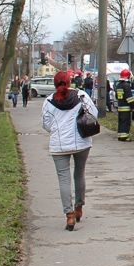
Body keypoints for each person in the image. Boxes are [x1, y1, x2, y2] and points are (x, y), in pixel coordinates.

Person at [41, 70, 97, 231]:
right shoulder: (81, 96)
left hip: (58, 146)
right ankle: (79, 207)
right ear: (70, 82)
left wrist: (57, 131)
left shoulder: (49, 101)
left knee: (63, 180)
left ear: (55, 83)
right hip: (82, 142)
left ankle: (69, 216)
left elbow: (45, 124)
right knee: (79, 174)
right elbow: (94, 114)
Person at [114, 68, 134, 141]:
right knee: (126, 122)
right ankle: (124, 137)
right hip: (126, 107)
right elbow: (129, 98)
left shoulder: (118, 85)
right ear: (128, 76)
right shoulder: (126, 85)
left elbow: (116, 96)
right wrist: (133, 106)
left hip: (120, 106)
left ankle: (120, 135)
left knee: (121, 122)